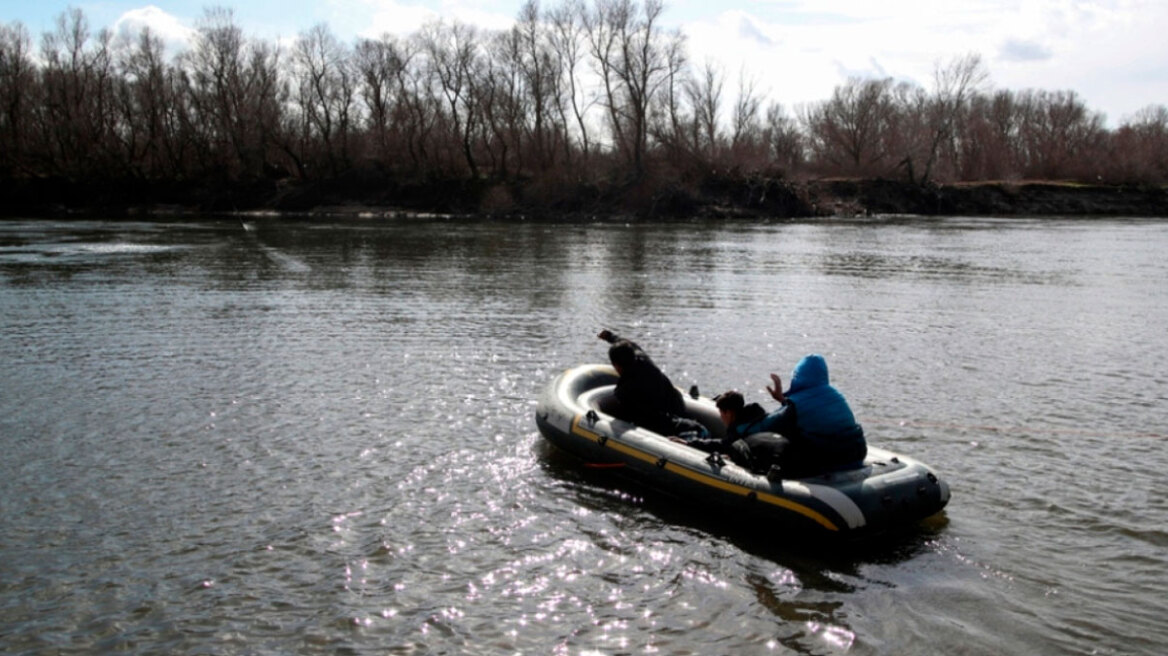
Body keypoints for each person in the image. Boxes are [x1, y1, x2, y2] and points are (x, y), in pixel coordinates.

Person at [715, 354, 867, 477]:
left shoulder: (796, 405)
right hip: (857, 452)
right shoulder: (835, 395)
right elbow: (808, 412)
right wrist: (783, 400)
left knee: (767, 443)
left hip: (830, 459)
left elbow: (767, 425)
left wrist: (737, 429)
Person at [597, 330, 709, 440]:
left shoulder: (625, 390)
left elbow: (633, 416)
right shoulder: (641, 358)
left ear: (616, 366)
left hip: (661, 419)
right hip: (676, 404)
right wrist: (610, 336)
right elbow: (630, 344)